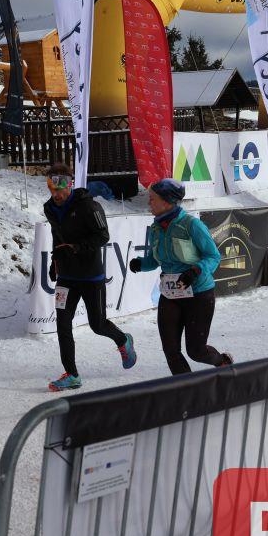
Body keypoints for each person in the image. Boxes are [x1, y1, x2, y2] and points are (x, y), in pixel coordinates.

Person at [43, 163, 136, 391]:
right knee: (63, 325)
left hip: (90, 276)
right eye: (52, 189)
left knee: (98, 324)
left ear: (70, 185)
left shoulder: (89, 206)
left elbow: (103, 236)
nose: (57, 194)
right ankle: (72, 375)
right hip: (67, 277)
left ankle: (123, 340)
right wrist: (54, 261)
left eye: (61, 189)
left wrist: (76, 247)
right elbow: (57, 236)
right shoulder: (50, 208)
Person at [129, 179, 233, 375]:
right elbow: (155, 259)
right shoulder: (156, 228)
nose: (149, 202)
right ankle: (187, 389)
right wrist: (141, 264)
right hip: (171, 294)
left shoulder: (191, 225)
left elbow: (213, 256)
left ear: (167, 201)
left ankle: (222, 362)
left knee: (196, 351)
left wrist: (195, 271)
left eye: (152, 199)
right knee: (171, 351)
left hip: (198, 294)